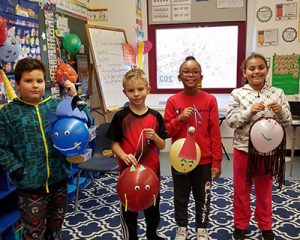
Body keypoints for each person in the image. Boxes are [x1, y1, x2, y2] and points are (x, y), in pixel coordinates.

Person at [0, 58, 91, 240]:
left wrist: (75, 98)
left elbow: (84, 120)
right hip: (30, 185)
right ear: (17, 84)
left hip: (59, 179)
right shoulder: (9, 113)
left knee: (55, 229)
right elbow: (2, 147)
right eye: (28, 81)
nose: (35, 86)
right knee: (34, 234)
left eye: (39, 81)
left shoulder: (55, 106)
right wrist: (16, 169)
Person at [226, 53, 292, 240]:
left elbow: (287, 122)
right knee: (241, 190)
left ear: (267, 70)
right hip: (243, 150)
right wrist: (249, 111)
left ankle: (265, 225)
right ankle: (240, 225)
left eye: (261, 67)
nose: (256, 71)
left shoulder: (277, 93)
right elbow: (231, 122)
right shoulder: (237, 94)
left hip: (268, 151)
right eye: (251, 68)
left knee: (265, 191)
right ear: (244, 72)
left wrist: (280, 111)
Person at [164, 56, 223, 240]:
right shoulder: (173, 101)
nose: (191, 75)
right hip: (180, 159)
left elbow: (214, 133)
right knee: (180, 196)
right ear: (179, 76)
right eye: (186, 72)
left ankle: (201, 229)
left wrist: (217, 162)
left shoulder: (210, 100)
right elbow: (167, 130)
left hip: (204, 160)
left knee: (203, 196)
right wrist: (179, 118)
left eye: (195, 71)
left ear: (201, 76)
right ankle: (182, 228)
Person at [106, 68, 169, 240]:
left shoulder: (156, 116)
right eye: (131, 90)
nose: (136, 94)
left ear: (148, 89)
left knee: (153, 210)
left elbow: (162, 145)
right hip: (128, 174)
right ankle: (130, 237)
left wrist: (155, 137)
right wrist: (123, 155)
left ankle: (152, 235)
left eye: (140, 89)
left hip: (151, 174)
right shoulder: (120, 116)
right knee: (128, 211)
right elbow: (114, 145)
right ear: (124, 92)